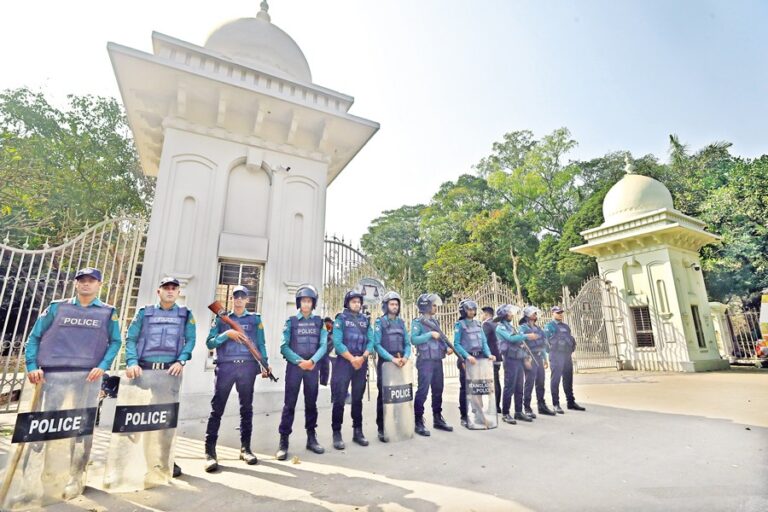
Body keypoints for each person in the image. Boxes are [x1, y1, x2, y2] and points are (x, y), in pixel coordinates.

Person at [24, 267, 122, 499]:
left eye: (91, 281)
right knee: (48, 425)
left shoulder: (108, 312)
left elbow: (116, 342)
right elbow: (34, 337)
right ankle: (40, 476)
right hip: (53, 376)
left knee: (81, 429)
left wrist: (103, 366)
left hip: (87, 379)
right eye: (82, 280)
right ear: (76, 284)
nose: (86, 284)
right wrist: (31, 366)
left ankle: (76, 475)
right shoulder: (57, 307)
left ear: (99, 285)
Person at [124, 276, 196, 478]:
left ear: (178, 292)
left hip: (168, 374)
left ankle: (165, 461)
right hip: (143, 372)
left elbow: (190, 340)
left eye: (174, 288)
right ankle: (134, 462)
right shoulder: (145, 313)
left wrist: (181, 360)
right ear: (159, 292)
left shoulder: (185, 315)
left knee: (165, 421)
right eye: (166, 288)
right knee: (136, 422)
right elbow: (130, 338)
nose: (170, 291)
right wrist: (131, 362)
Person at [204, 285, 270, 472]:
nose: (239, 300)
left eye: (243, 297)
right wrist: (227, 334)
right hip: (225, 367)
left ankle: (246, 449)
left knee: (246, 409)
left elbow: (260, 343)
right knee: (217, 409)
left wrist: (265, 364)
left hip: (247, 368)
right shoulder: (222, 319)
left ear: (247, 299)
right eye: (236, 297)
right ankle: (210, 453)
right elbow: (209, 342)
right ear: (232, 299)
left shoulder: (255, 319)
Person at [276, 284, 328, 460]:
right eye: (303, 301)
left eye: (309, 301)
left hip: (312, 368)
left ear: (313, 304)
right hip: (295, 368)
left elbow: (323, 345)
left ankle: (311, 438)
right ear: (299, 303)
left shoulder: (319, 322)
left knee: (311, 404)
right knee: (289, 405)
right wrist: (300, 362)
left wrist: (312, 361)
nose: (306, 304)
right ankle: (283, 441)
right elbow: (283, 347)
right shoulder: (290, 322)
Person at [330, 290, 374, 449]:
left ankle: (358, 431)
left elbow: (371, 341)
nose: (357, 304)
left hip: (361, 363)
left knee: (357, 399)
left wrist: (363, 357)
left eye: (358, 301)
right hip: (344, 363)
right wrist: (352, 359)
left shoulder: (366, 320)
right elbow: (337, 342)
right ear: (348, 303)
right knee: (339, 398)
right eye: (353, 301)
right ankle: (337, 433)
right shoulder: (340, 319)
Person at [411, 293, 453, 436]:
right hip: (425, 361)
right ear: (426, 305)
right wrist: (429, 335)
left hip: (437, 360)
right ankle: (418, 421)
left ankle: (437, 418)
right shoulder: (418, 322)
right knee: (423, 391)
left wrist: (446, 348)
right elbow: (414, 340)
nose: (435, 308)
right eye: (433, 305)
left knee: (438, 389)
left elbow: (440, 339)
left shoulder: (435, 322)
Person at [373, 291, 411, 442]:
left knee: (399, 393)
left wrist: (406, 357)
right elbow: (376, 345)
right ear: (386, 305)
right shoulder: (379, 322)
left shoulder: (401, 323)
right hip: (386, 363)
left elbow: (407, 343)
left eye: (396, 304)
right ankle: (382, 428)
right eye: (392, 304)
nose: (394, 307)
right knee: (384, 395)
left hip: (401, 363)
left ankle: (398, 424)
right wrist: (391, 359)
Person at [453, 300, 495, 427]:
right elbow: (456, 344)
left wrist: (488, 354)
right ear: (463, 311)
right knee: (466, 389)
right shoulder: (459, 325)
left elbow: (484, 343)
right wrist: (466, 356)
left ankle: (478, 416)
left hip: (479, 360)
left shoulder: (478, 324)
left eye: (473, 309)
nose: (471, 312)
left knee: (478, 388)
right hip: (466, 361)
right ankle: (464, 417)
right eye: (469, 309)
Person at [495, 304, 537, 424]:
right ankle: (506, 413)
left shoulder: (511, 326)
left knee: (519, 386)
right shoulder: (500, 327)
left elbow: (518, 340)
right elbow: (511, 339)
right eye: (509, 312)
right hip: (510, 359)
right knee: (509, 386)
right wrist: (527, 335)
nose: (512, 314)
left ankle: (518, 412)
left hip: (518, 359)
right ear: (504, 314)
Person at [544, 306, 586, 413]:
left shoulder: (566, 326)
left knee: (568, 379)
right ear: (552, 313)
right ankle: (556, 404)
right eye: (558, 312)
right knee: (555, 380)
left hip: (566, 355)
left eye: (561, 312)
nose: (560, 314)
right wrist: (547, 356)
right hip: (556, 356)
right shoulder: (549, 326)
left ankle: (570, 402)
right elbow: (545, 342)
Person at [519, 306, 556, 417]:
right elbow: (519, 339)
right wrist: (526, 358)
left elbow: (542, 345)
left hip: (539, 357)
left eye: (536, 313)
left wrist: (545, 358)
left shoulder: (538, 328)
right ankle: (527, 407)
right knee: (529, 382)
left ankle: (541, 405)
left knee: (541, 382)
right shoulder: (523, 327)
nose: (535, 315)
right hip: (530, 357)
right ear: (527, 315)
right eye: (533, 313)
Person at [481, 306, 502, 413]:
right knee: (496, 381)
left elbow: (482, 341)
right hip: (498, 356)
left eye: (482, 314)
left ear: (486, 314)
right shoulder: (497, 324)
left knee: (491, 383)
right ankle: (497, 406)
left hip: (489, 357)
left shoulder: (486, 324)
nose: (481, 316)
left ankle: (493, 406)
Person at [318, 316, 334, 387]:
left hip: (328, 351)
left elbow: (331, 341)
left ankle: (323, 381)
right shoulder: (322, 328)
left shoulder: (334, 330)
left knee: (325, 365)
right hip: (321, 349)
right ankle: (322, 381)